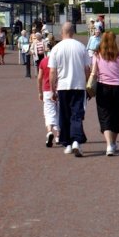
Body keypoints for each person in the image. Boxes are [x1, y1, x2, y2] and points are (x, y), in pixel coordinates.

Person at [48, 22, 90, 157]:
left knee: (64, 115)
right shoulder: (81, 47)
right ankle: (76, 141)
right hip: (78, 86)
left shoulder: (56, 48)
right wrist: (88, 84)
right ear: (73, 32)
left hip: (63, 86)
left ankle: (67, 143)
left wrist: (52, 89)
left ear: (62, 32)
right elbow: (87, 69)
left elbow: (52, 72)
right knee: (76, 115)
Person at [91, 31, 119, 156]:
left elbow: (94, 73)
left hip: (103, 87)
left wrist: (89, 87)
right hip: (118, 88)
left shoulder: (97, 55)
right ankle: (112, 143)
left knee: (104, 115)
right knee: (116, 115)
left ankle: (109, 144)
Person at [37, 42, 60, 147]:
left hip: (47, 90)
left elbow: (39, 78)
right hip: (60, 88)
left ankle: (49, 131)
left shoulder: (44, 61)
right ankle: (58, 135)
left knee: (49, 112)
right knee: (60, 111)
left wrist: (39, 92)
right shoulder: (60, 61)